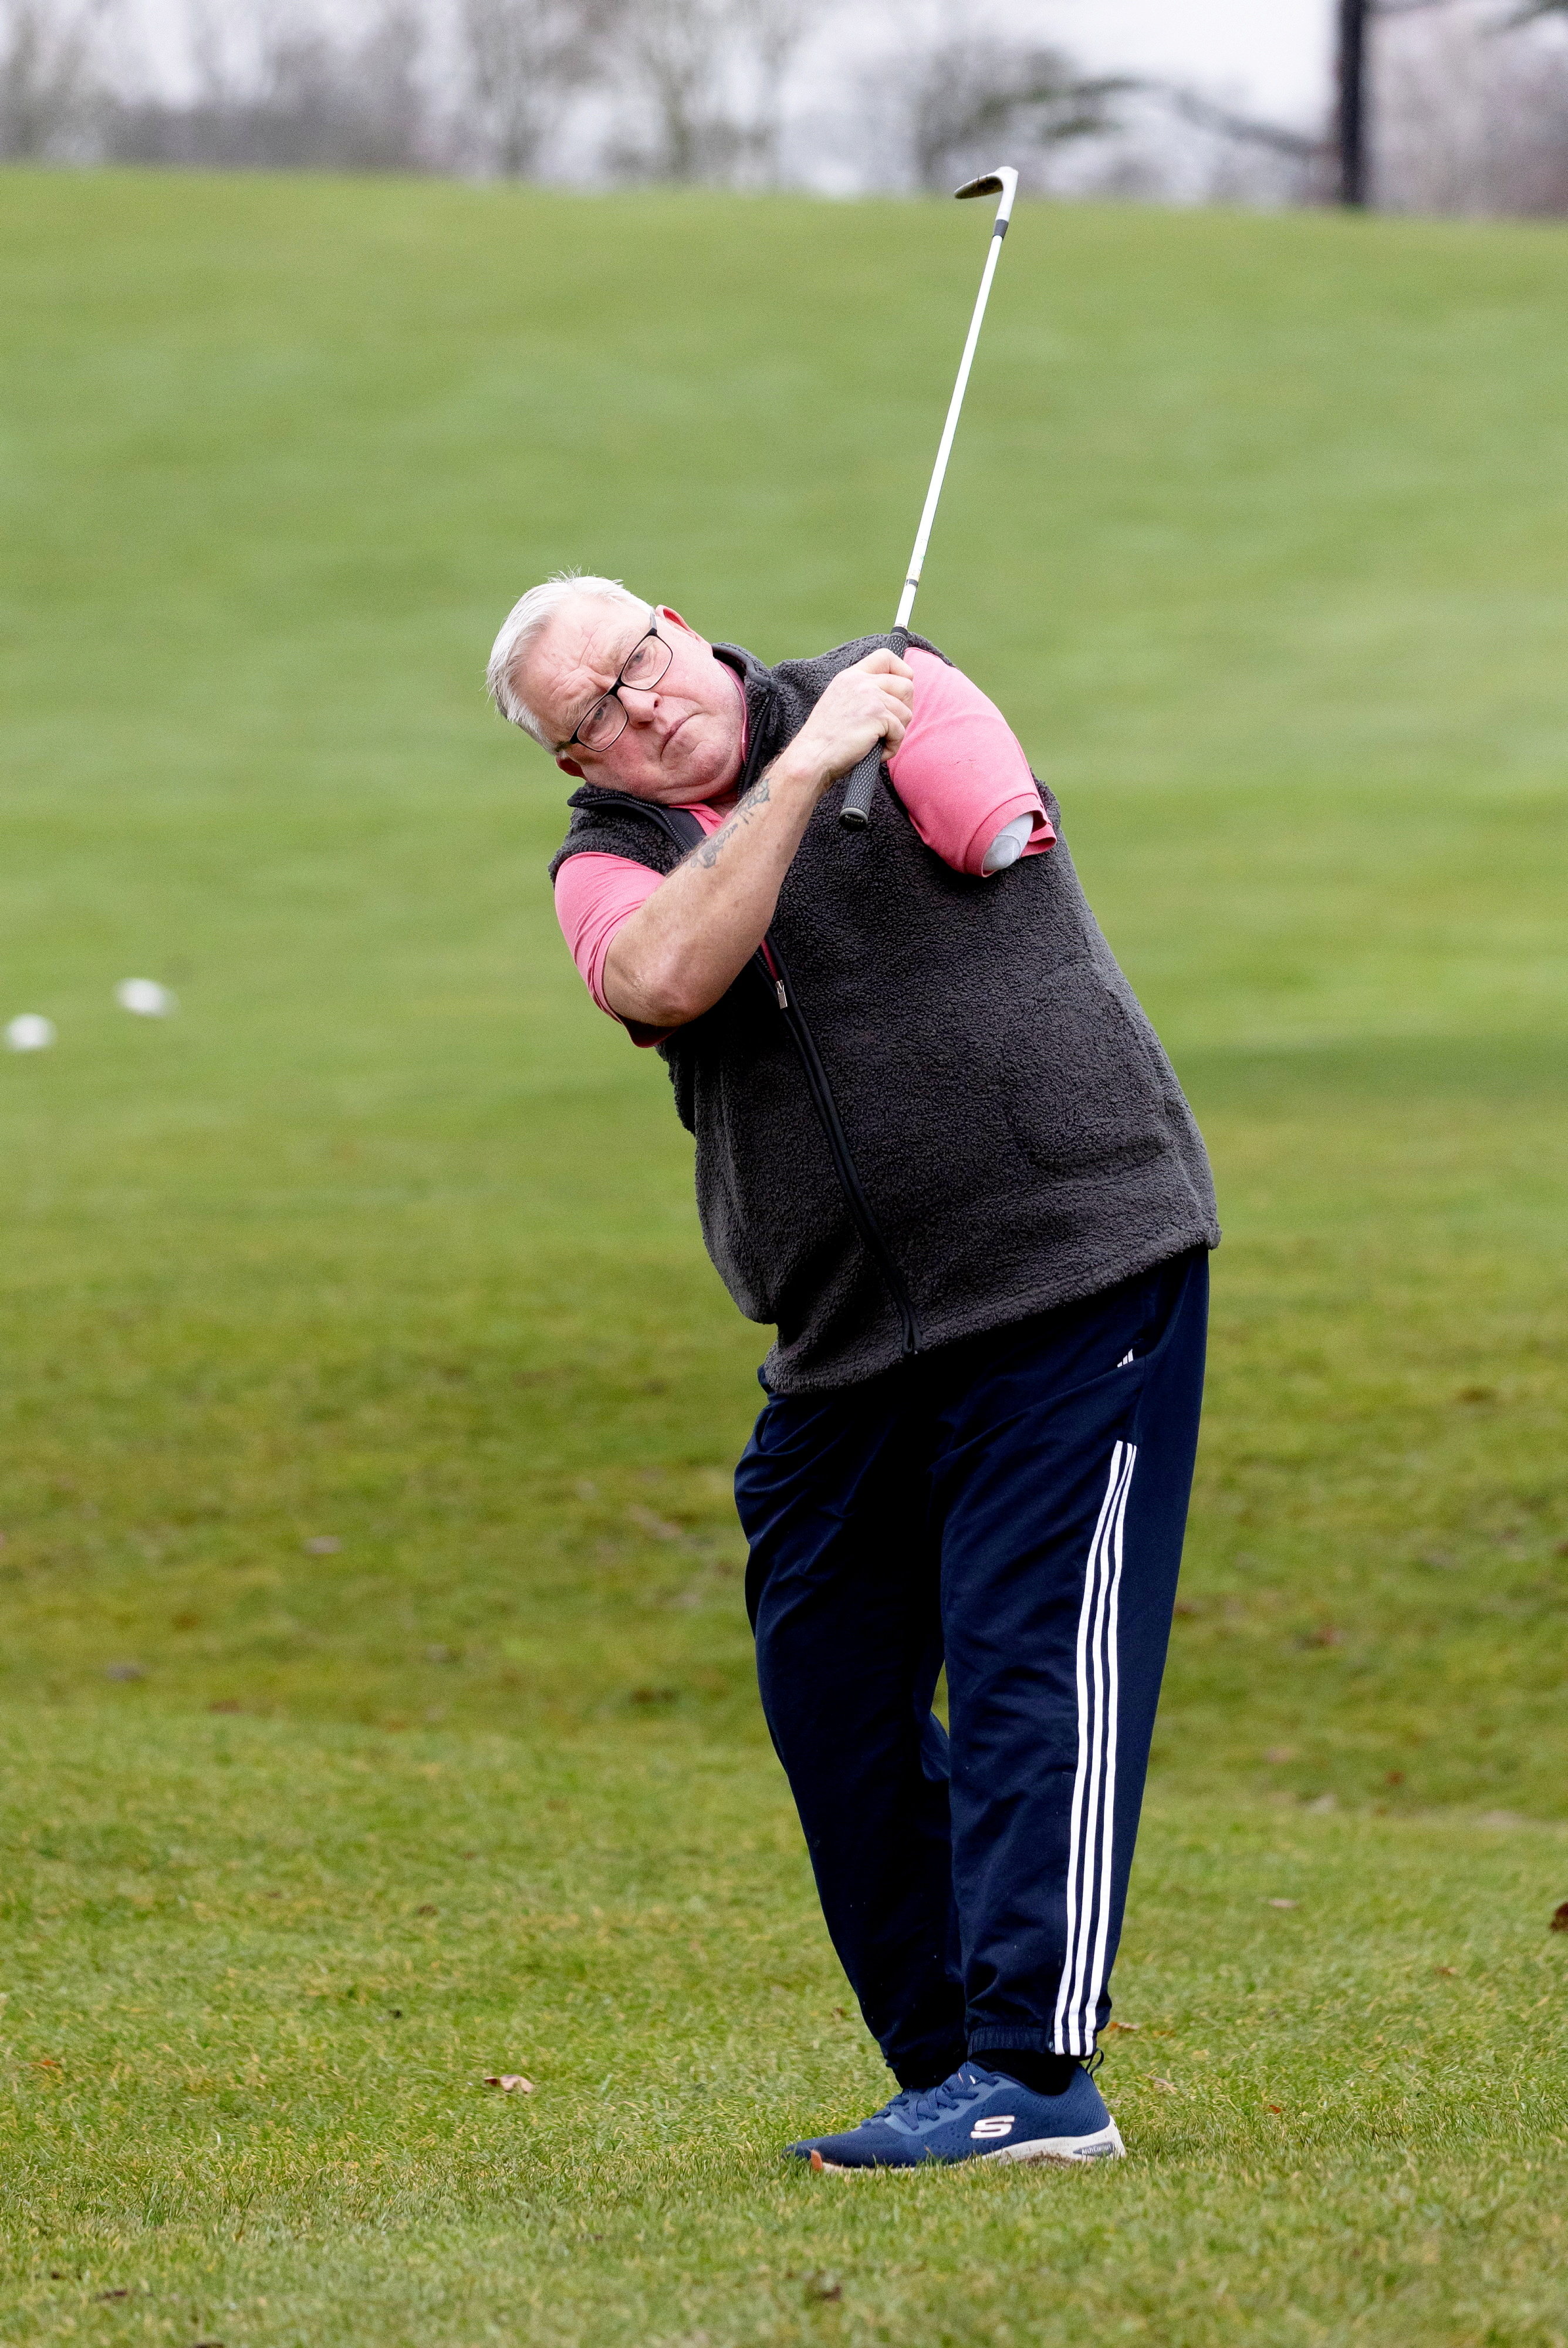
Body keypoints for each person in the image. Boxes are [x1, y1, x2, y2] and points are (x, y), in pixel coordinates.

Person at [487, 572, 1219, 2171]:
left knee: (1033, 1664)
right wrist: (803, 773)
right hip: (842, 1348)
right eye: (591, 717)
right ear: (575, 765)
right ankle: (948, 2064)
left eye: (638, 664)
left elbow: (989, 826)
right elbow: (669, 978)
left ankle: (1035, 2076)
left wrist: (866, 726)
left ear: (679, 624)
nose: (639, 707)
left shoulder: (899, 687)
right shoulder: (611, 863)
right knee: (830, 1692)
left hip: (1073, 1263)